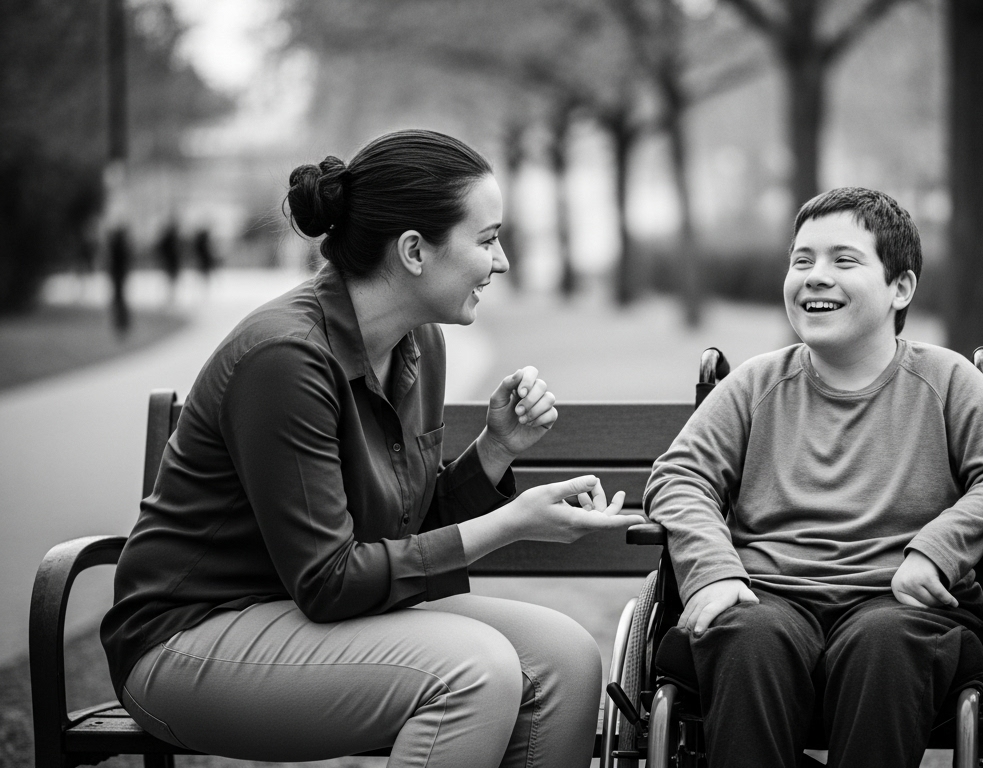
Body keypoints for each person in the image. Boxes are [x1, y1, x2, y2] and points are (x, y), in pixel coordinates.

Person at [99, 129, 645, 768]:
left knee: (568, 659)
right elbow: (330, 581)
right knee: (473, 672)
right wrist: (510, 524)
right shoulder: (286, 359)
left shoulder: (419, 343)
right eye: (489, 240)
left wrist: (496, 450)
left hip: (308, 615)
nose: (501, 263)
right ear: (414, 250)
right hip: (190, 639)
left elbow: (402, 533)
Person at [644, 187, 983, 768]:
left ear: (899, 288)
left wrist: (937, 550)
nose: (815, 276)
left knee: (885, 642)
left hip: (900, 605)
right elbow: (679, 477)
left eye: (844, 260)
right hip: (769, 597)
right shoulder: (756, 385)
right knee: (746, 635)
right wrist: (710, 571)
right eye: (802, 260)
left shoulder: (946, 381)